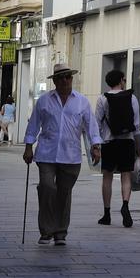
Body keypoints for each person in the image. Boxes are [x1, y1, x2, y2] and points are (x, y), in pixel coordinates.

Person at [23, 64, 102, 246]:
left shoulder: (81, 101)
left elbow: (91, 126)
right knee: (47, 187)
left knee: (64, 194)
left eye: (68, 76)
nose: (65, 80)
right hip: (46, 154)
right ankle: (46, 230)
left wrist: (95, 146)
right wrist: (28, 146)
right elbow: (34, 124)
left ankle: (60, 232)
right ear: (55, 81)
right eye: (61, 77)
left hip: (71, 155)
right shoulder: (44, 100)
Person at [95, 69, 140, 227]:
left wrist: (97, 144)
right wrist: (139, 146)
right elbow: (135, 125)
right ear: (121, 80)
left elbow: (97, 122)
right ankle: (125, 205)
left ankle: (106, 214)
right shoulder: (132, 98)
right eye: (124, 80)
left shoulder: (103, 99)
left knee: (107, 177)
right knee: (126, 175)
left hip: (109, 142)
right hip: (127, 141)